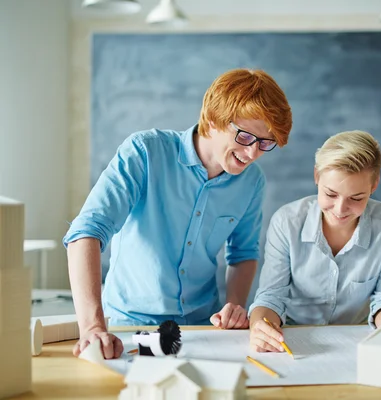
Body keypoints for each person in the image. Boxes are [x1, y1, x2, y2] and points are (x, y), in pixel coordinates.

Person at [64, 68, 292, 359]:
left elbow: (243, 252)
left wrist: (234, 304)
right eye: (246, 137)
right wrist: (92, 327)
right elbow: (86, 232)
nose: (252, 154)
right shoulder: (144, 152)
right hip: (130, 327)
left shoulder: (252, 181)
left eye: (265, 143)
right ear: (212, 119)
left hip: (202, 329)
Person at [246, 130, 381, 353]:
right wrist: (260, 327)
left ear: (374, 185)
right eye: (331, 194)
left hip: (360, 341)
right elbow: (271, 295)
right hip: (291, 340)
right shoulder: (287, 222)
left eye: (356, 198)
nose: (340, 209)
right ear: (316, 176)